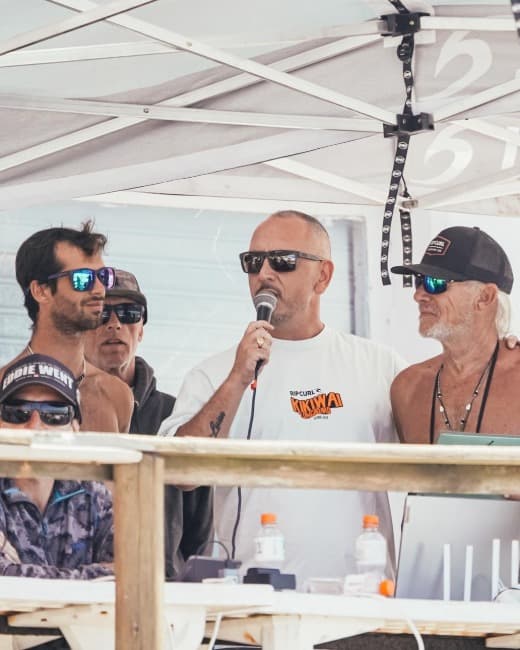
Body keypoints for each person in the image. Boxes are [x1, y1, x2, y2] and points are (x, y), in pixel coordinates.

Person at [159, 210, 406, 586]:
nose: (264, 273)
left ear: (323, 276)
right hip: (251, 602)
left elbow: (437, 463)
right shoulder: (215, 373)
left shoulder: (380, 366)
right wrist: (238, 379)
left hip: (360, 596)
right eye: (253, 261)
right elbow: (179, 474)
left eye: (282, 261)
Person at [84, 270, 213, 578]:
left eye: (129, 313)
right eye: (101, 313)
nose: (115, 324)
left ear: (141, 329)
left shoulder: (176, 414)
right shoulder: (53, 412)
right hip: (80, 585)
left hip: (161, 586)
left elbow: (199, 528)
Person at [390, 225, 520, 444]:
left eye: (435, 283)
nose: (418, 295)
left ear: (485, 297)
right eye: (419, 281)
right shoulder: (407, 388)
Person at [1, 222, 133, 433]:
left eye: (104, 276)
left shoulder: (116, 394)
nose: (99, 290)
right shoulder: (4, 389)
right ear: (41, 291)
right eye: (82, 279)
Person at [0, 354, 113, 579]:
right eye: (17, 412)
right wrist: (93, 576)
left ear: (75, 428)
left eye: (55, 415)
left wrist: (16, 570)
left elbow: (132, 572)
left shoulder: (94, 495)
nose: (34, 426)